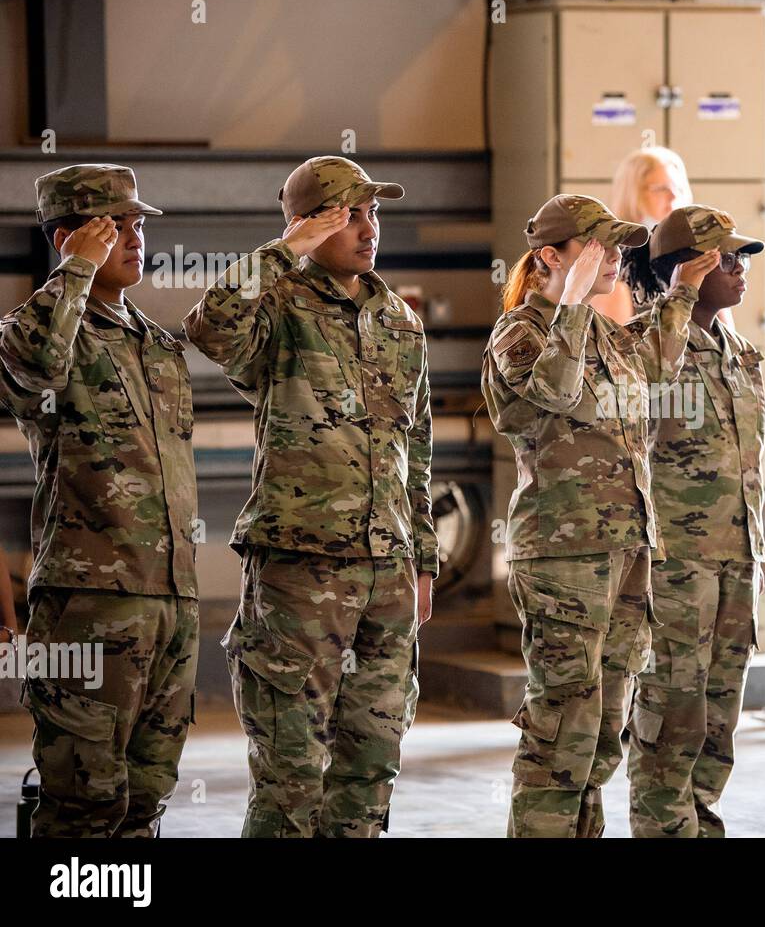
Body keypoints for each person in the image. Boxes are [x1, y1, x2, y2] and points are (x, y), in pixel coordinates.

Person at [183, 156, 439, 838]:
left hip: (387, 569)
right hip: (300, 572)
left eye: (373, 213)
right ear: (308, 222)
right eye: (348, 214)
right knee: (292, 772)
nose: (368, 227)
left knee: (372, 764)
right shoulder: (278, 306)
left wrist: (425, 562)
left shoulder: (398, 321)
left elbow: (417, 452)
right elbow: (208, 327)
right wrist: (285, 248)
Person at [482, 194, 708, 838]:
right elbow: (554, 389)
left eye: (617, 246)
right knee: (563, 726)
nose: (614, 258)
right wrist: (574, 303)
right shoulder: (521, 331)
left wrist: (682, 292)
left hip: (627, 547)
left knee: (606, 724)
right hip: (563, 554)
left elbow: (660, 369)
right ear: (552, 256)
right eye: (598, 246)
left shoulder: (605, 332)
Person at [0, 165, 198, 837]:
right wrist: (74, 274)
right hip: (89, 607)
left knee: (144, 801)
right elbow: (31, 366)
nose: (136, 238)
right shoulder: (43, 331)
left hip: (171, 603)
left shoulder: (158, 345)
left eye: (139, 224)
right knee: (83, 806)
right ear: (69, 238)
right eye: (115, 226)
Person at [622, 205, 765, 837]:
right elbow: (639, 396)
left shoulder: (741, 351)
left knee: (717, 724)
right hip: (675, 568)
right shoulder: (645, 342)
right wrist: (677, 300)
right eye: (722, 257)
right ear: (684, 267)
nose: (738, 269)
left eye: (740, 257)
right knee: (670, 722)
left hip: (736, 561)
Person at [592, 146, 694, 324]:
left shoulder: (690, 251)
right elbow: (613, 345)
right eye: (661, 188)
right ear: (632, 192)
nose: (673, 196)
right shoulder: (610, 256)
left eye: (678, 187)